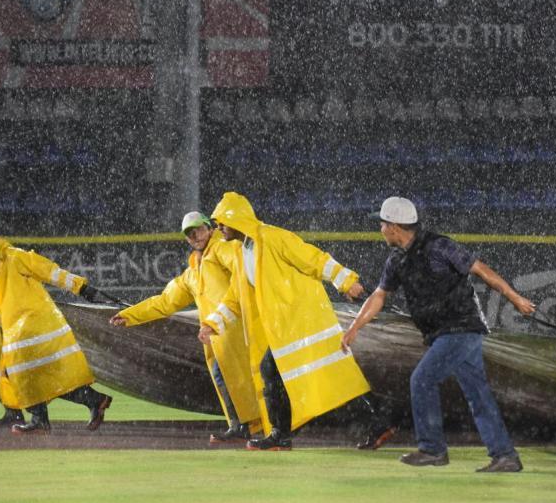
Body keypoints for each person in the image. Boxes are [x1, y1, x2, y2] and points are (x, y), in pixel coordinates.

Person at [342, 197, 532, 472]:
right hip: (445, 333)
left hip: (461, 328)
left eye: (382, 224)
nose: (380, 229)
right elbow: (379, 295)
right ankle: (505, 456)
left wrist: (516, 299)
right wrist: (354, 328)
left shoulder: (439, 245)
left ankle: (432, 449)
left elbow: (481, 270)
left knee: (422, 380)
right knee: (478, 395)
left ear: (394, 227)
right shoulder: (396, 260)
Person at [199, 192, 378, 451]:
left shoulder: (271, 237)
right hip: (286, 328)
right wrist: (213, 324)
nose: (219, 229)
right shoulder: (241, 251)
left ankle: (280, 436)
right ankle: (378, 422)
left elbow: (312, 258)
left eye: (221, 223)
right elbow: (234, 298)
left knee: (280, 372)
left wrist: (346, 281)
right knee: (327, 376)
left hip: (302, 322)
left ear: (236, 220)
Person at [111, 212, 262, 443]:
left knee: (249, 378)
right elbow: (164, 302)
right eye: (189, 234)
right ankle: (242, 426)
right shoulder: (191, 274)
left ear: (209, 228)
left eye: (198, 230)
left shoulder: (222, 249)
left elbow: (244, 265)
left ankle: (261, 426)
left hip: (236, 329)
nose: (195, 236)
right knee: (227, 381)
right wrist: (130, 315)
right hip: (215, 337)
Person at [0, 228, 112, 433]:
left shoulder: (15, 257)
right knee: (39, 376)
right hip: (18, 331)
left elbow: (49, 271)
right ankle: (94, 400)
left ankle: (41, 420)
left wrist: (81, 287)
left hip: (36, 325)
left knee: (22, 374)